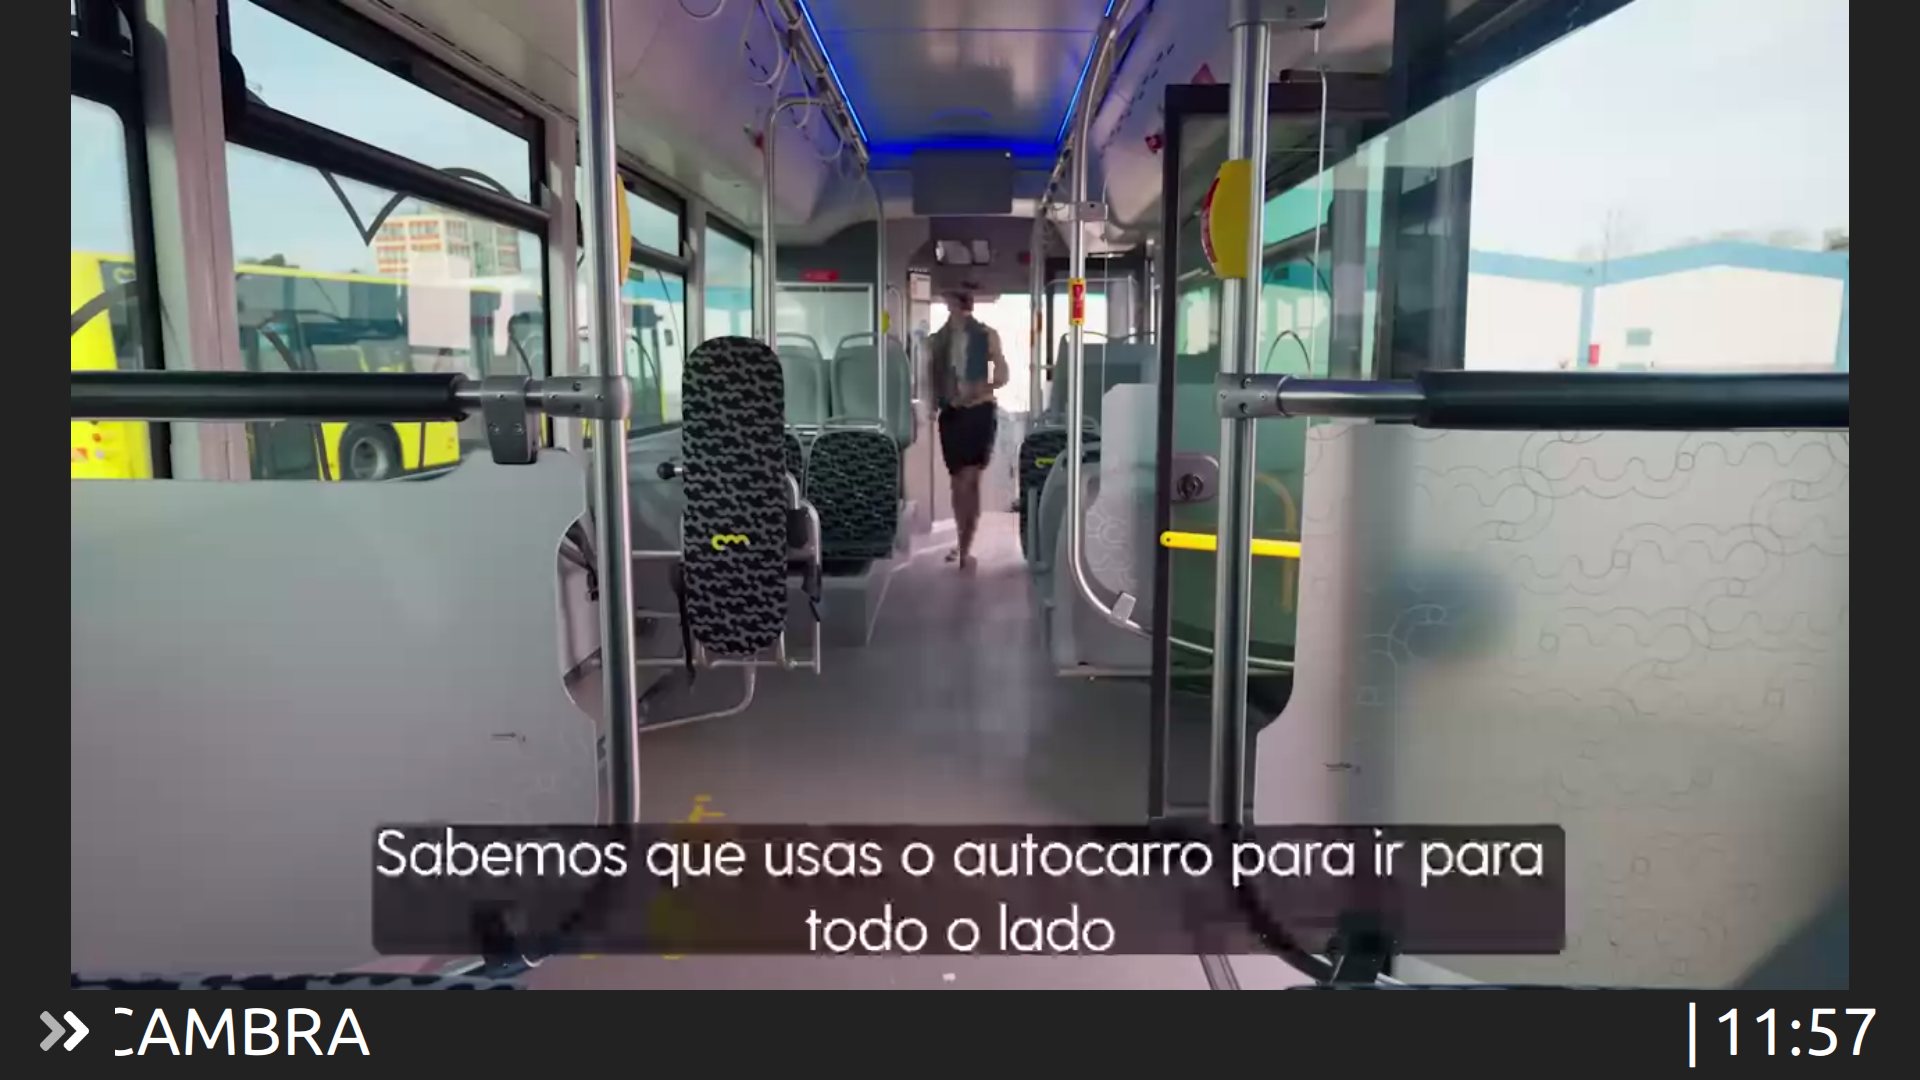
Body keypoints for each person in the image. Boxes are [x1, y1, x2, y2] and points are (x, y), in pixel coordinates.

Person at [925, 292, 1009, 570]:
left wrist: (980, 387)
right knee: (958, 481)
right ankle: (963, 541)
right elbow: (929, 380)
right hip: (951, 414)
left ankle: (965, 546)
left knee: (969, 480)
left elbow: (1002, 375)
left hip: (979, 411)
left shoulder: (987, 335)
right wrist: (932, 405)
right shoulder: (935, 341)